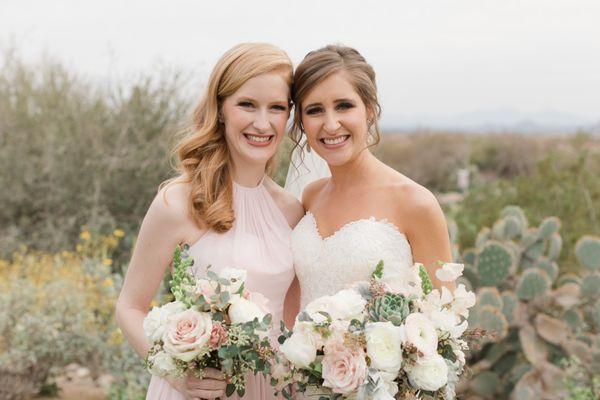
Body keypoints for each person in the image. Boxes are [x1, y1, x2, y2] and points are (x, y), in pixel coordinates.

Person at [116, 42, 304, 400]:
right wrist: (174, 375)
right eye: (247, 104)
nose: (262, 123)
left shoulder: (292, 211)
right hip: (197, 391)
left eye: (276, 108)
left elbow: (292, 319)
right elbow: (129, 306)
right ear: (220, 108)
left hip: (272, 388)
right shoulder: (178, 203)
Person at [286, 44, 455, 315]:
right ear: (302, 122)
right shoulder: (310, 196)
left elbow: (446, 322)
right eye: (315, 110)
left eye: (344, 106)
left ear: (370, 110)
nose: (330, 124)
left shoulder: (415, 203)